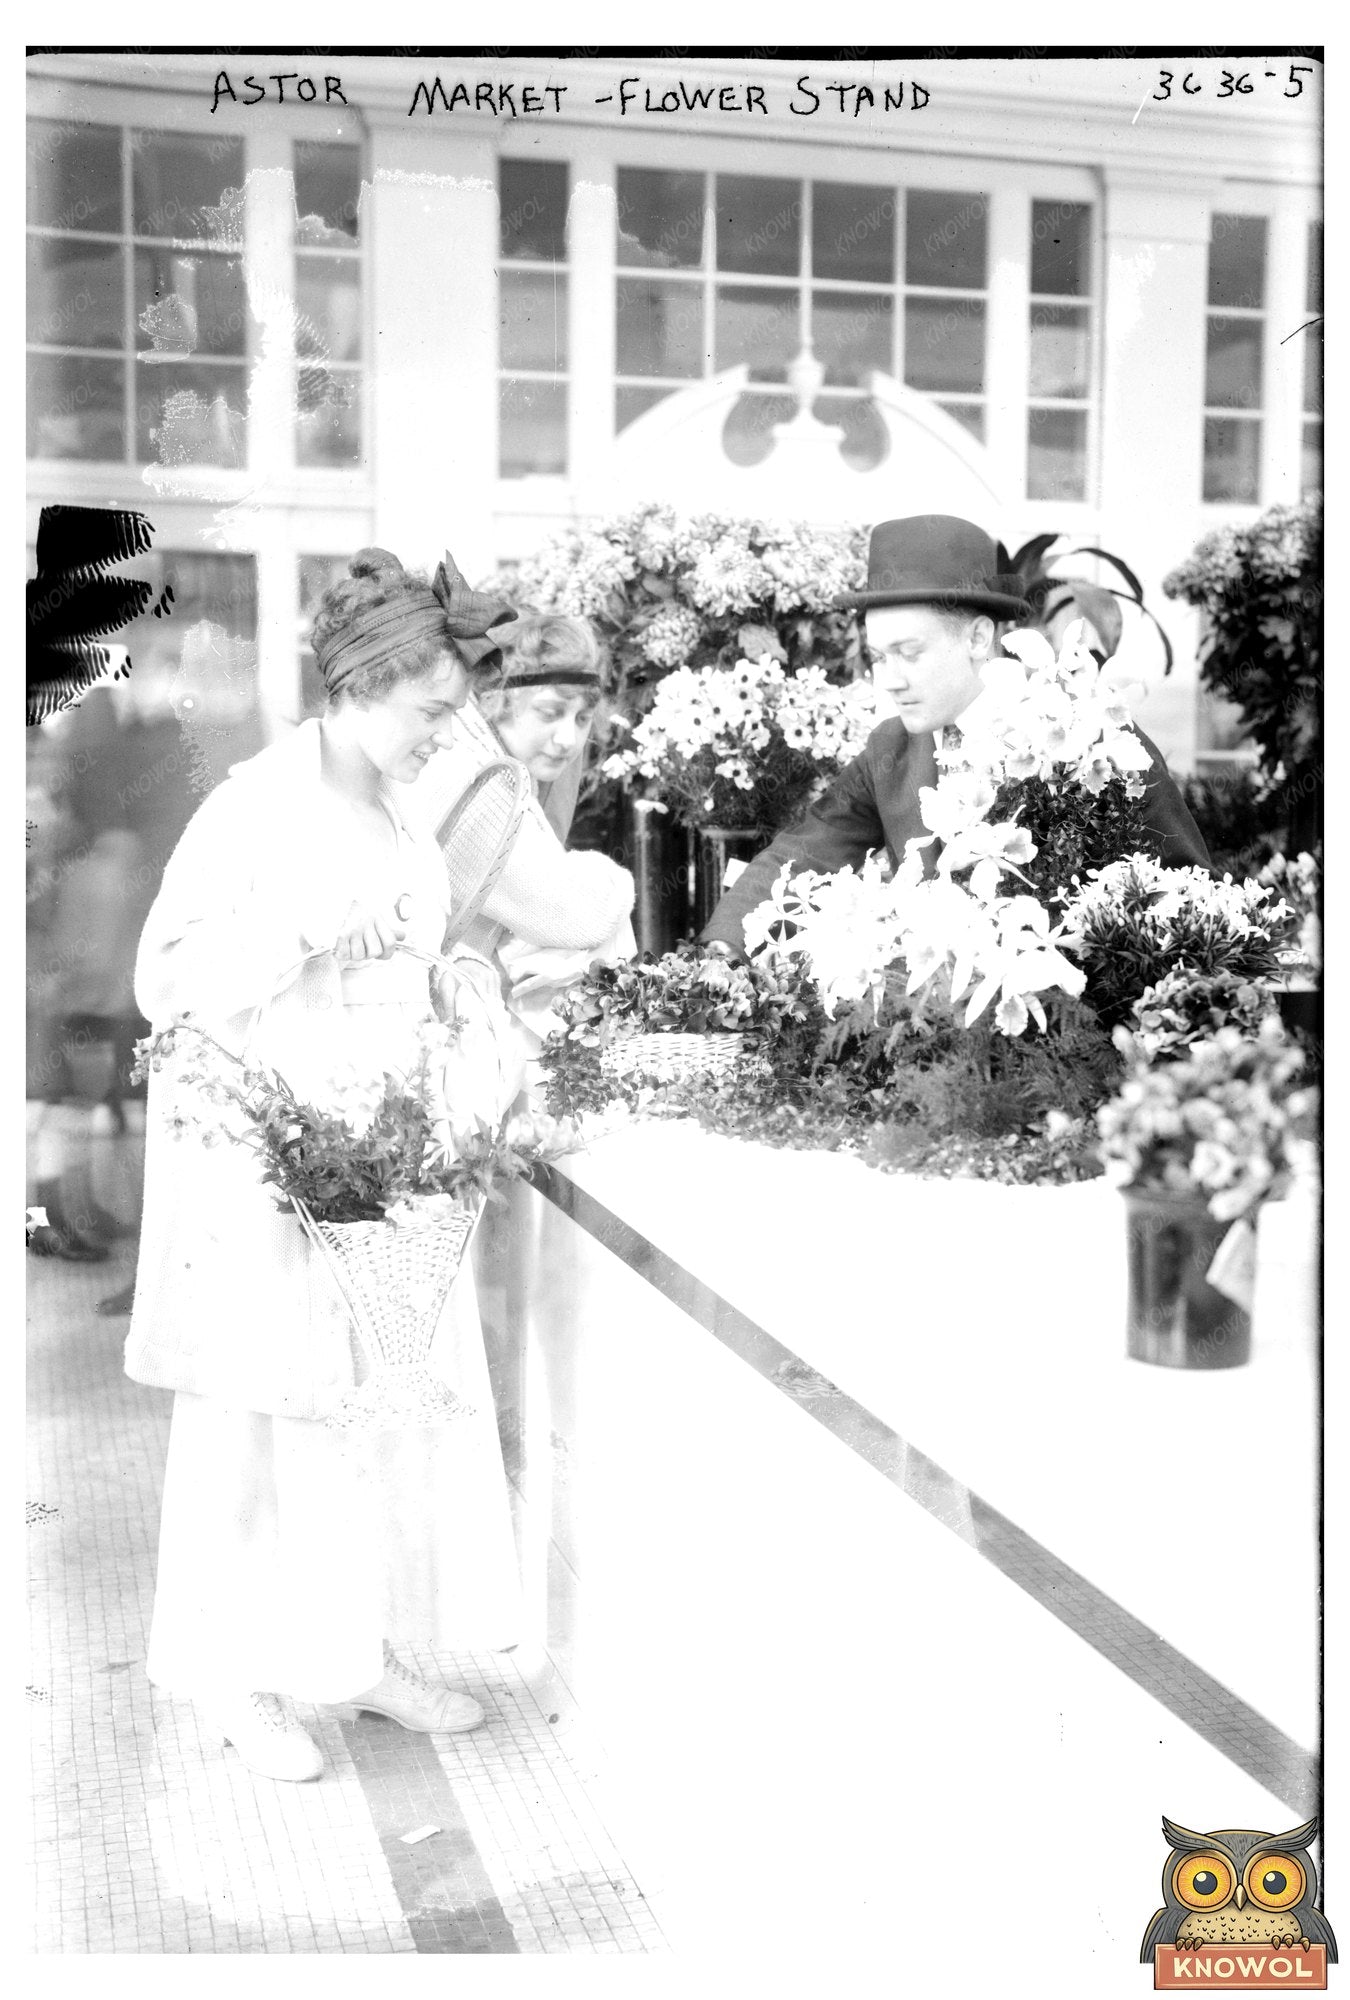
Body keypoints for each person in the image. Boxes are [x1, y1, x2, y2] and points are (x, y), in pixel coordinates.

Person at [125, 547, 524, 1783]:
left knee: (363, 1418)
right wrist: (297, 926)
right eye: (431, 707)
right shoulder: (255, 807)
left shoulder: (401, 811)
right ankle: (228, 1677)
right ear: (359, 685)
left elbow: (413, 956)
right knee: (251, 1420)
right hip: (267, 1161)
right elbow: (166, 977)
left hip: (376, 1153)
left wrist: (456, 986)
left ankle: (351, 1656)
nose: (445, 731)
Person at [701, 515, 1211, 952]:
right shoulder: (891, 749)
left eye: (908, 653)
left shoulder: (1090, 735)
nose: (889, 680)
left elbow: (1184, 889)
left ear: (979, 636)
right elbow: (805, 852)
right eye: (879, 657)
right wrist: (723, 950)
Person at [405, 586, 635, 1061]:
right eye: (550, 713)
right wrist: (618, 881)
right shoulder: (470, 775)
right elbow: (578, 914)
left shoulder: (484, 751)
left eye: (583, 718)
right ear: (499, 701)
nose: (568, 738)